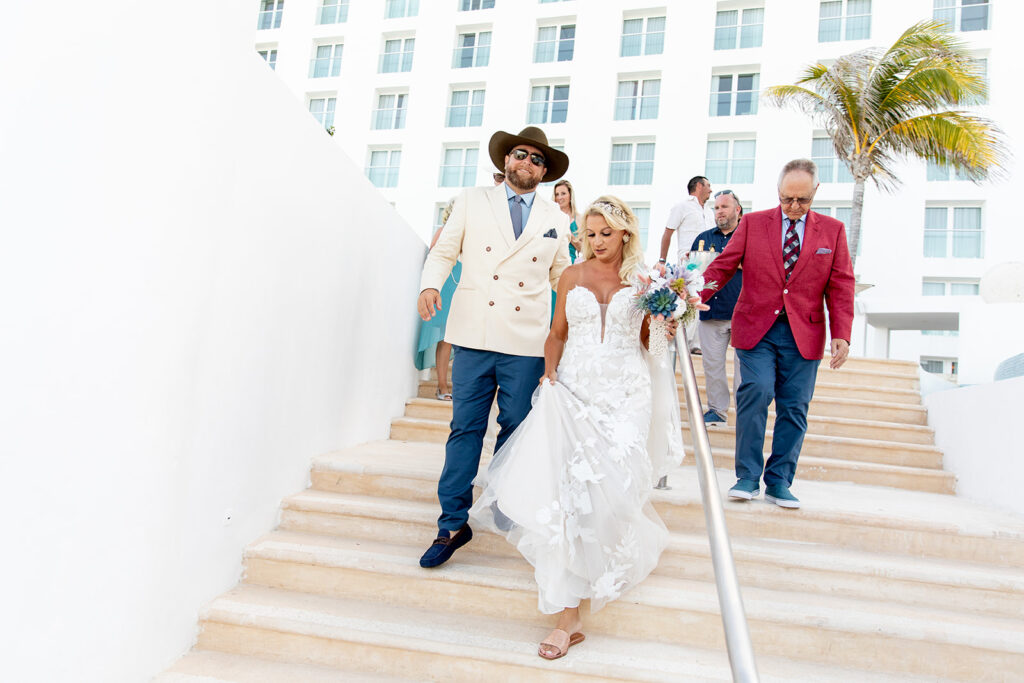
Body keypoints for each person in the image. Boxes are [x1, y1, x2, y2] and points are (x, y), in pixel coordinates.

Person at [470, 196, 691, 660]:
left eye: (605, 234)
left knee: (614, 496)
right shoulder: (571, 276)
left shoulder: (646, 280)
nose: (596, 242)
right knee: (569, 499)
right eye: (589, 234)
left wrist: (667, 321)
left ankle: (594, 576)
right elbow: (557, 333)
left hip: (628, 395)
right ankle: (567, 617)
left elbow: (648, 340)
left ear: (625, 233)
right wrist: (549, 375)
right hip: (575, 392)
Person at [416, 126, 572, 567]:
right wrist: (430, 285)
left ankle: (506, 505)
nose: (527, 163)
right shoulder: (471, 200)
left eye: (537, 160)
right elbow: (445, 251)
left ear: (543, 172)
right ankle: (451, 523)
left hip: (525, 340)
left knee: (516, 428)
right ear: (507, 160)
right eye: (520, 155)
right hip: (473, 332)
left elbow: (563, 277)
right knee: (465, 428)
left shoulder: (556, 220)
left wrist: (584, 313)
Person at [699, 159, 855, 509]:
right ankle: (747, 476)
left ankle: (780, 480)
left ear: (815, 193)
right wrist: (692, 296)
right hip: (757, 328)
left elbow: (841, 284)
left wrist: (841, 332)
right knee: (756, 390)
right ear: (778, 192)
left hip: (805, 332)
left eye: (802, 200)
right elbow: (723, 266)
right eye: (787, 199)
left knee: (795, 407)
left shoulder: (833, 230)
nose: (794, 207)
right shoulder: (753, 223)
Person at [690, 190, 744, 427]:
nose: (719, 211)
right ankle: (717, 412)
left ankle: (745, 414)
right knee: (712, 365)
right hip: (710, 311)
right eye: (716, 207)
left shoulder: (749, 236)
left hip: (743, 313)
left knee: (745, 369)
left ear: (737, 210)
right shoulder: (703, 238)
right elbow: (691, 271)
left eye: (724, 207)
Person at [659, 175, 713, 354]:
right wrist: (661, 261)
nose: (711, 190)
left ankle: (696, 342)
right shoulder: (682, 207)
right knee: (690, 298)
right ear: (699, 186)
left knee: (703, 297)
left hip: (709, 260)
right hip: (688, 261)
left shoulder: (710, 211)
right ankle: (683, 342)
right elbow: (667, 234)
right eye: (708, 186)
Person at [414, 199, 459, 399]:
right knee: (446, 338)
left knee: (463, 340)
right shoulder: (443, 231)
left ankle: (460, 386)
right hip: (448, 287)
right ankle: (442, 386)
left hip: (464, 287)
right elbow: (433, 259)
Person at [552, 180, 582, 263]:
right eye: (557, 194)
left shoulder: (579, 218)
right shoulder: (550, 217)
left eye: (563, 193)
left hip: (570, 265)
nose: (559, 197)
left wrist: (568, 233)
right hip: (551, 264)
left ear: (570, 195)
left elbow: (583, 249)